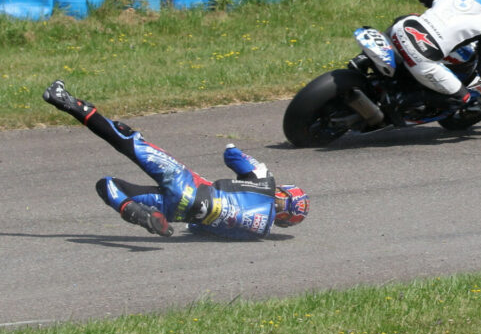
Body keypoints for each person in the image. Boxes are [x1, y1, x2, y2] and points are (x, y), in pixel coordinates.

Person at [42, 80, 308, 239]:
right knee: (108, 184)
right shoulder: (256, 234)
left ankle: (65, 101)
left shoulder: (265, 183)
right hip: (176, 212)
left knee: (127, 139)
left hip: (186, 184)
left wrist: (244, 160)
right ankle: (130, 210)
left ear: (283, 193)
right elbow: (199, 230)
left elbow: (232, 155)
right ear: (283, 221)